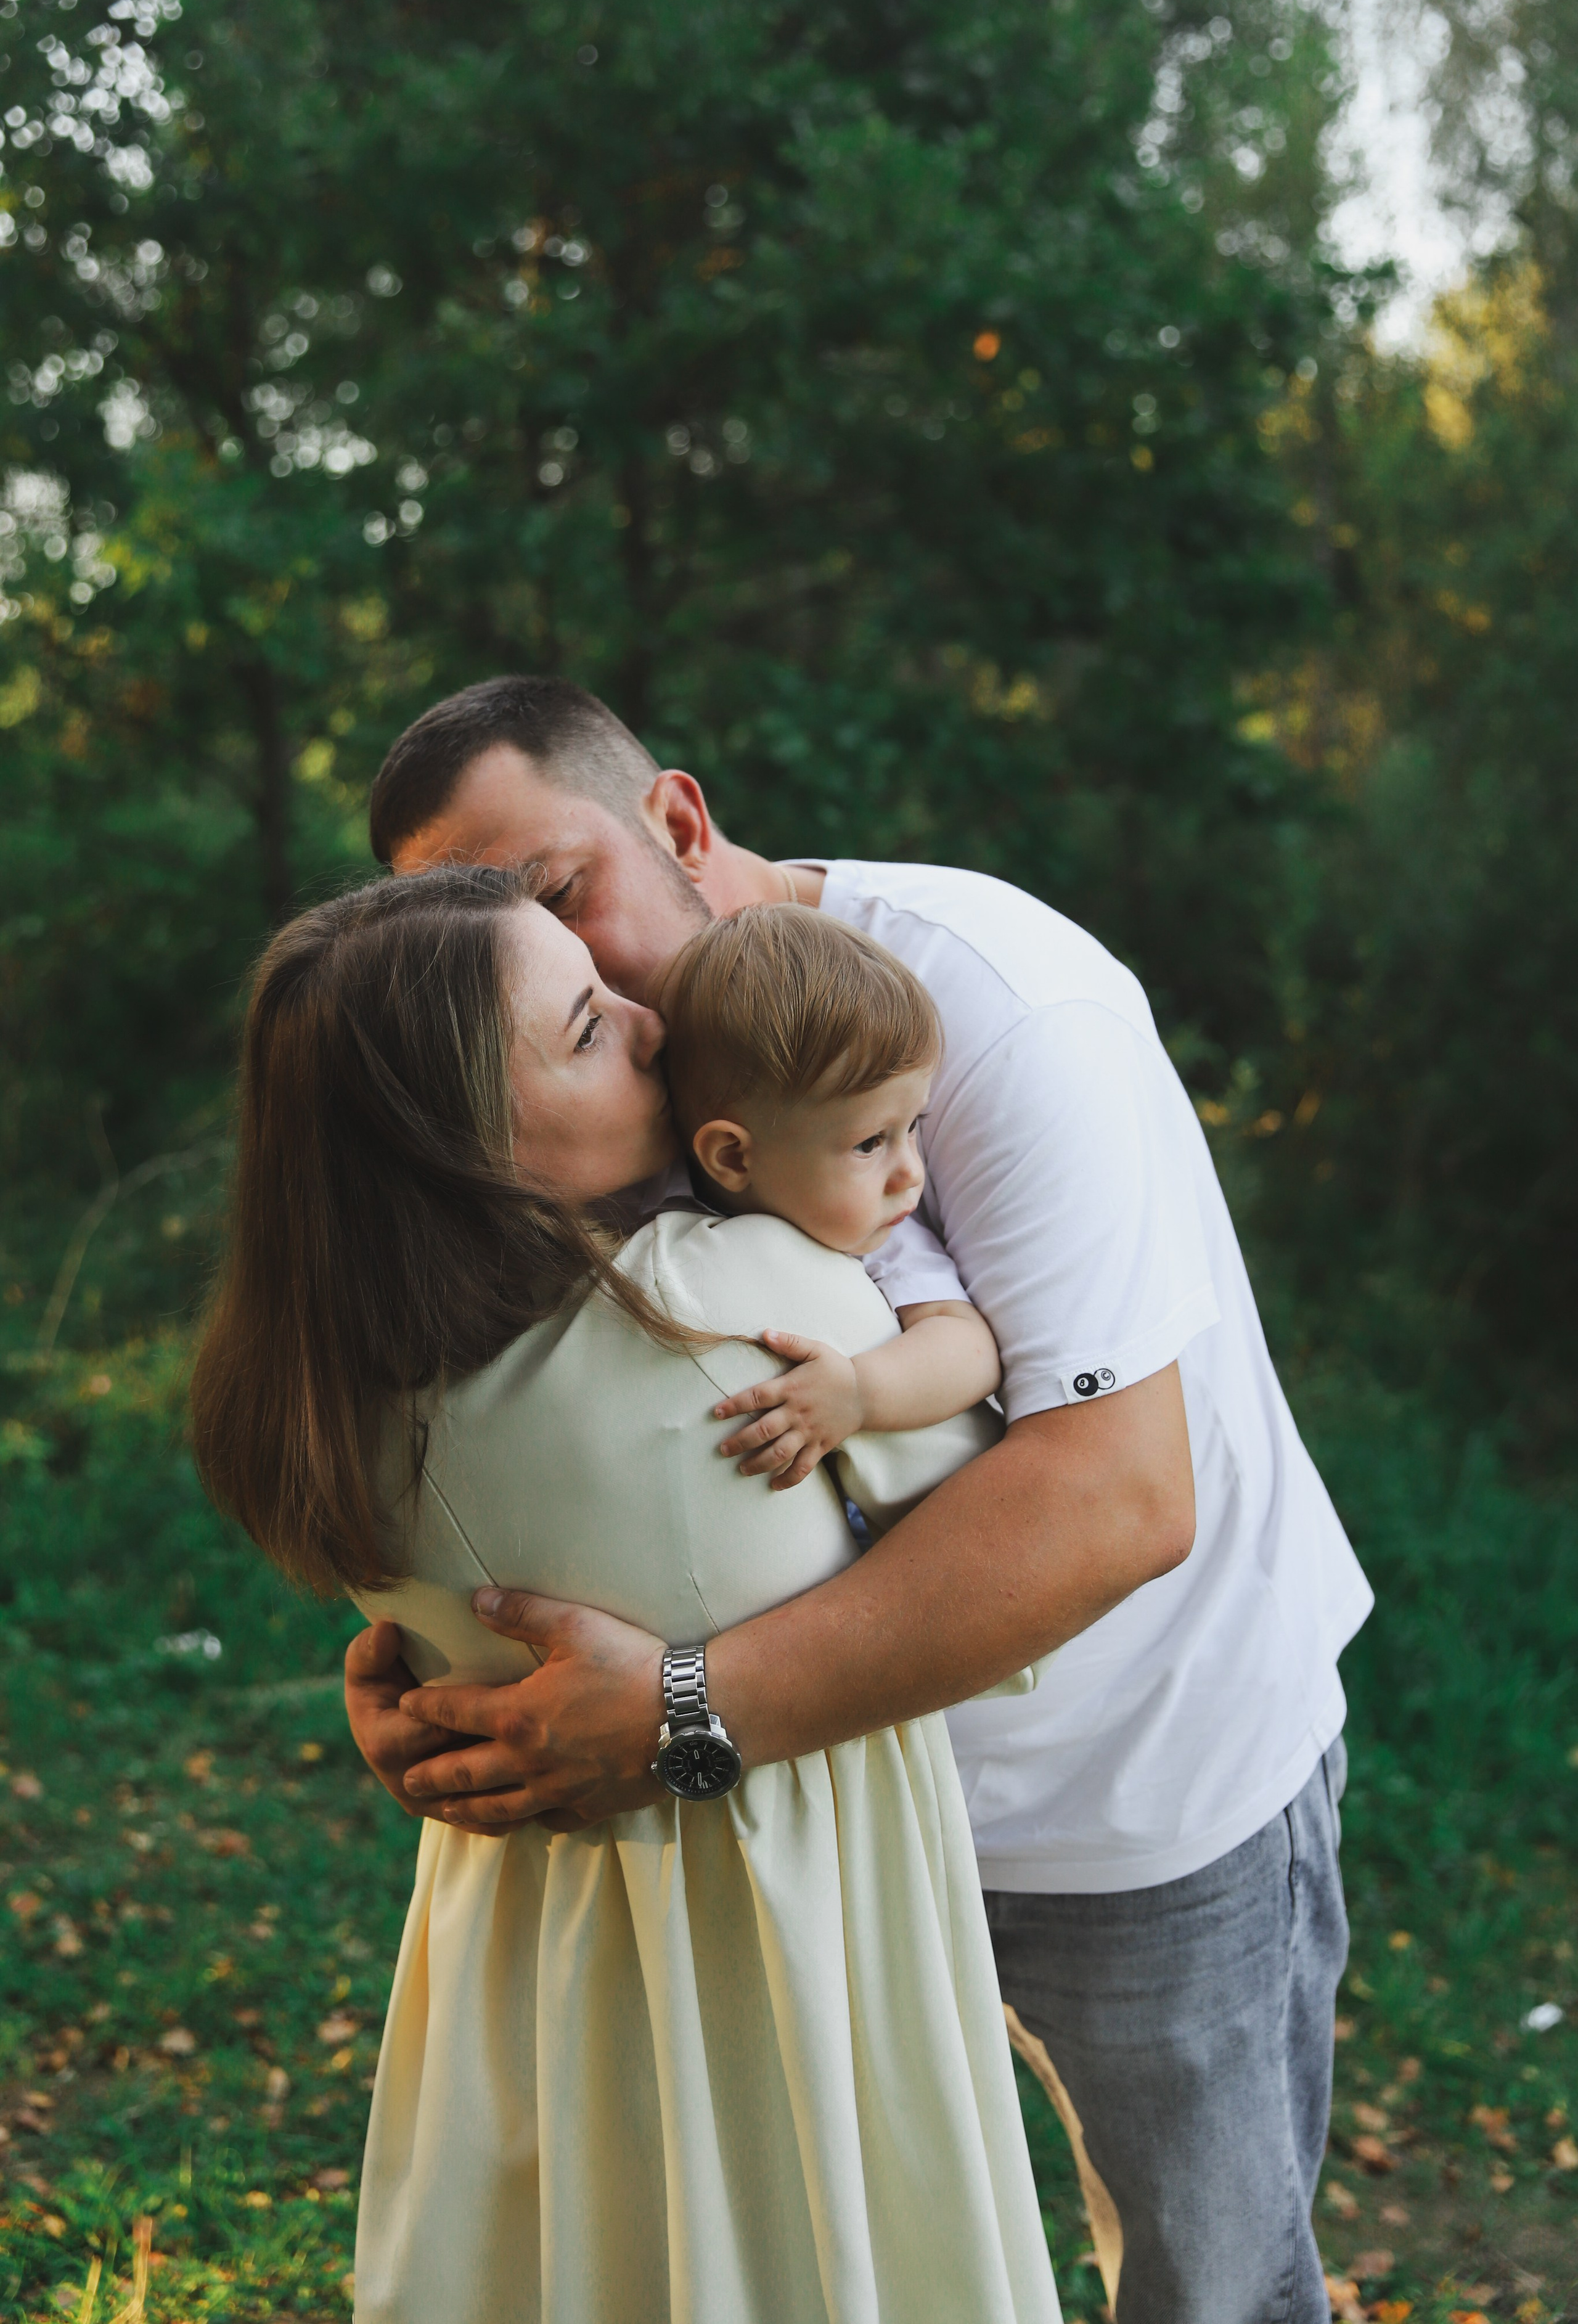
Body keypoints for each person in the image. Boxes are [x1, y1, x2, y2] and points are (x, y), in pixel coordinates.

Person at [353, 674, 1376, 2324]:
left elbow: (1116, 1501)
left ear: (677, 821)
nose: (553, 966)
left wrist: (677, 1712)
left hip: (1128, 1792)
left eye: (554, 897)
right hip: (813, 1837)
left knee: (1213, 2289)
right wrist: (425, 1665)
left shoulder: (992, 1008)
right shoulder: (578, 1076)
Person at [189, 863, 1063, 2324]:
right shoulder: (747, 1304)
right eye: (590, 1028)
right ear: (463, 1134)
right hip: (799, 1930)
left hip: (526, 1951)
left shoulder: (324, 1397)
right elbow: (990, 1514)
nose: (654, 1021)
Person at [663, 901, 1003, 1491]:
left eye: (912, 1126)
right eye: (871, 1142)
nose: (911, 1176)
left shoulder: (877, 1245)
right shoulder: (665, 1227)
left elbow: (969, 1346)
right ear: (733, 1158)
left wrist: (860, 1395)